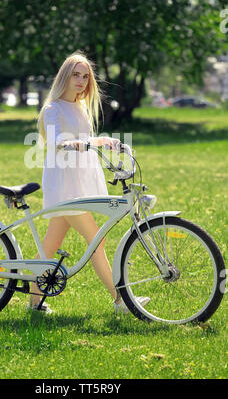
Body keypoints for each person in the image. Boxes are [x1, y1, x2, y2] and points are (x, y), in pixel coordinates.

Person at [29, 51, 149, 314]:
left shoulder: (80, 107)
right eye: (76, 75)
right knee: (96, 239)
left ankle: (34, 302)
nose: (81, 80)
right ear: (65, 76)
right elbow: (56, 140)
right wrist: (75, 143)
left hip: (76, 182)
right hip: (65, 185)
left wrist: (104, 141)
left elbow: (84, 139)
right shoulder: (53, 108)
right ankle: (121, 301)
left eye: (86, 76)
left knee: (49, 245)